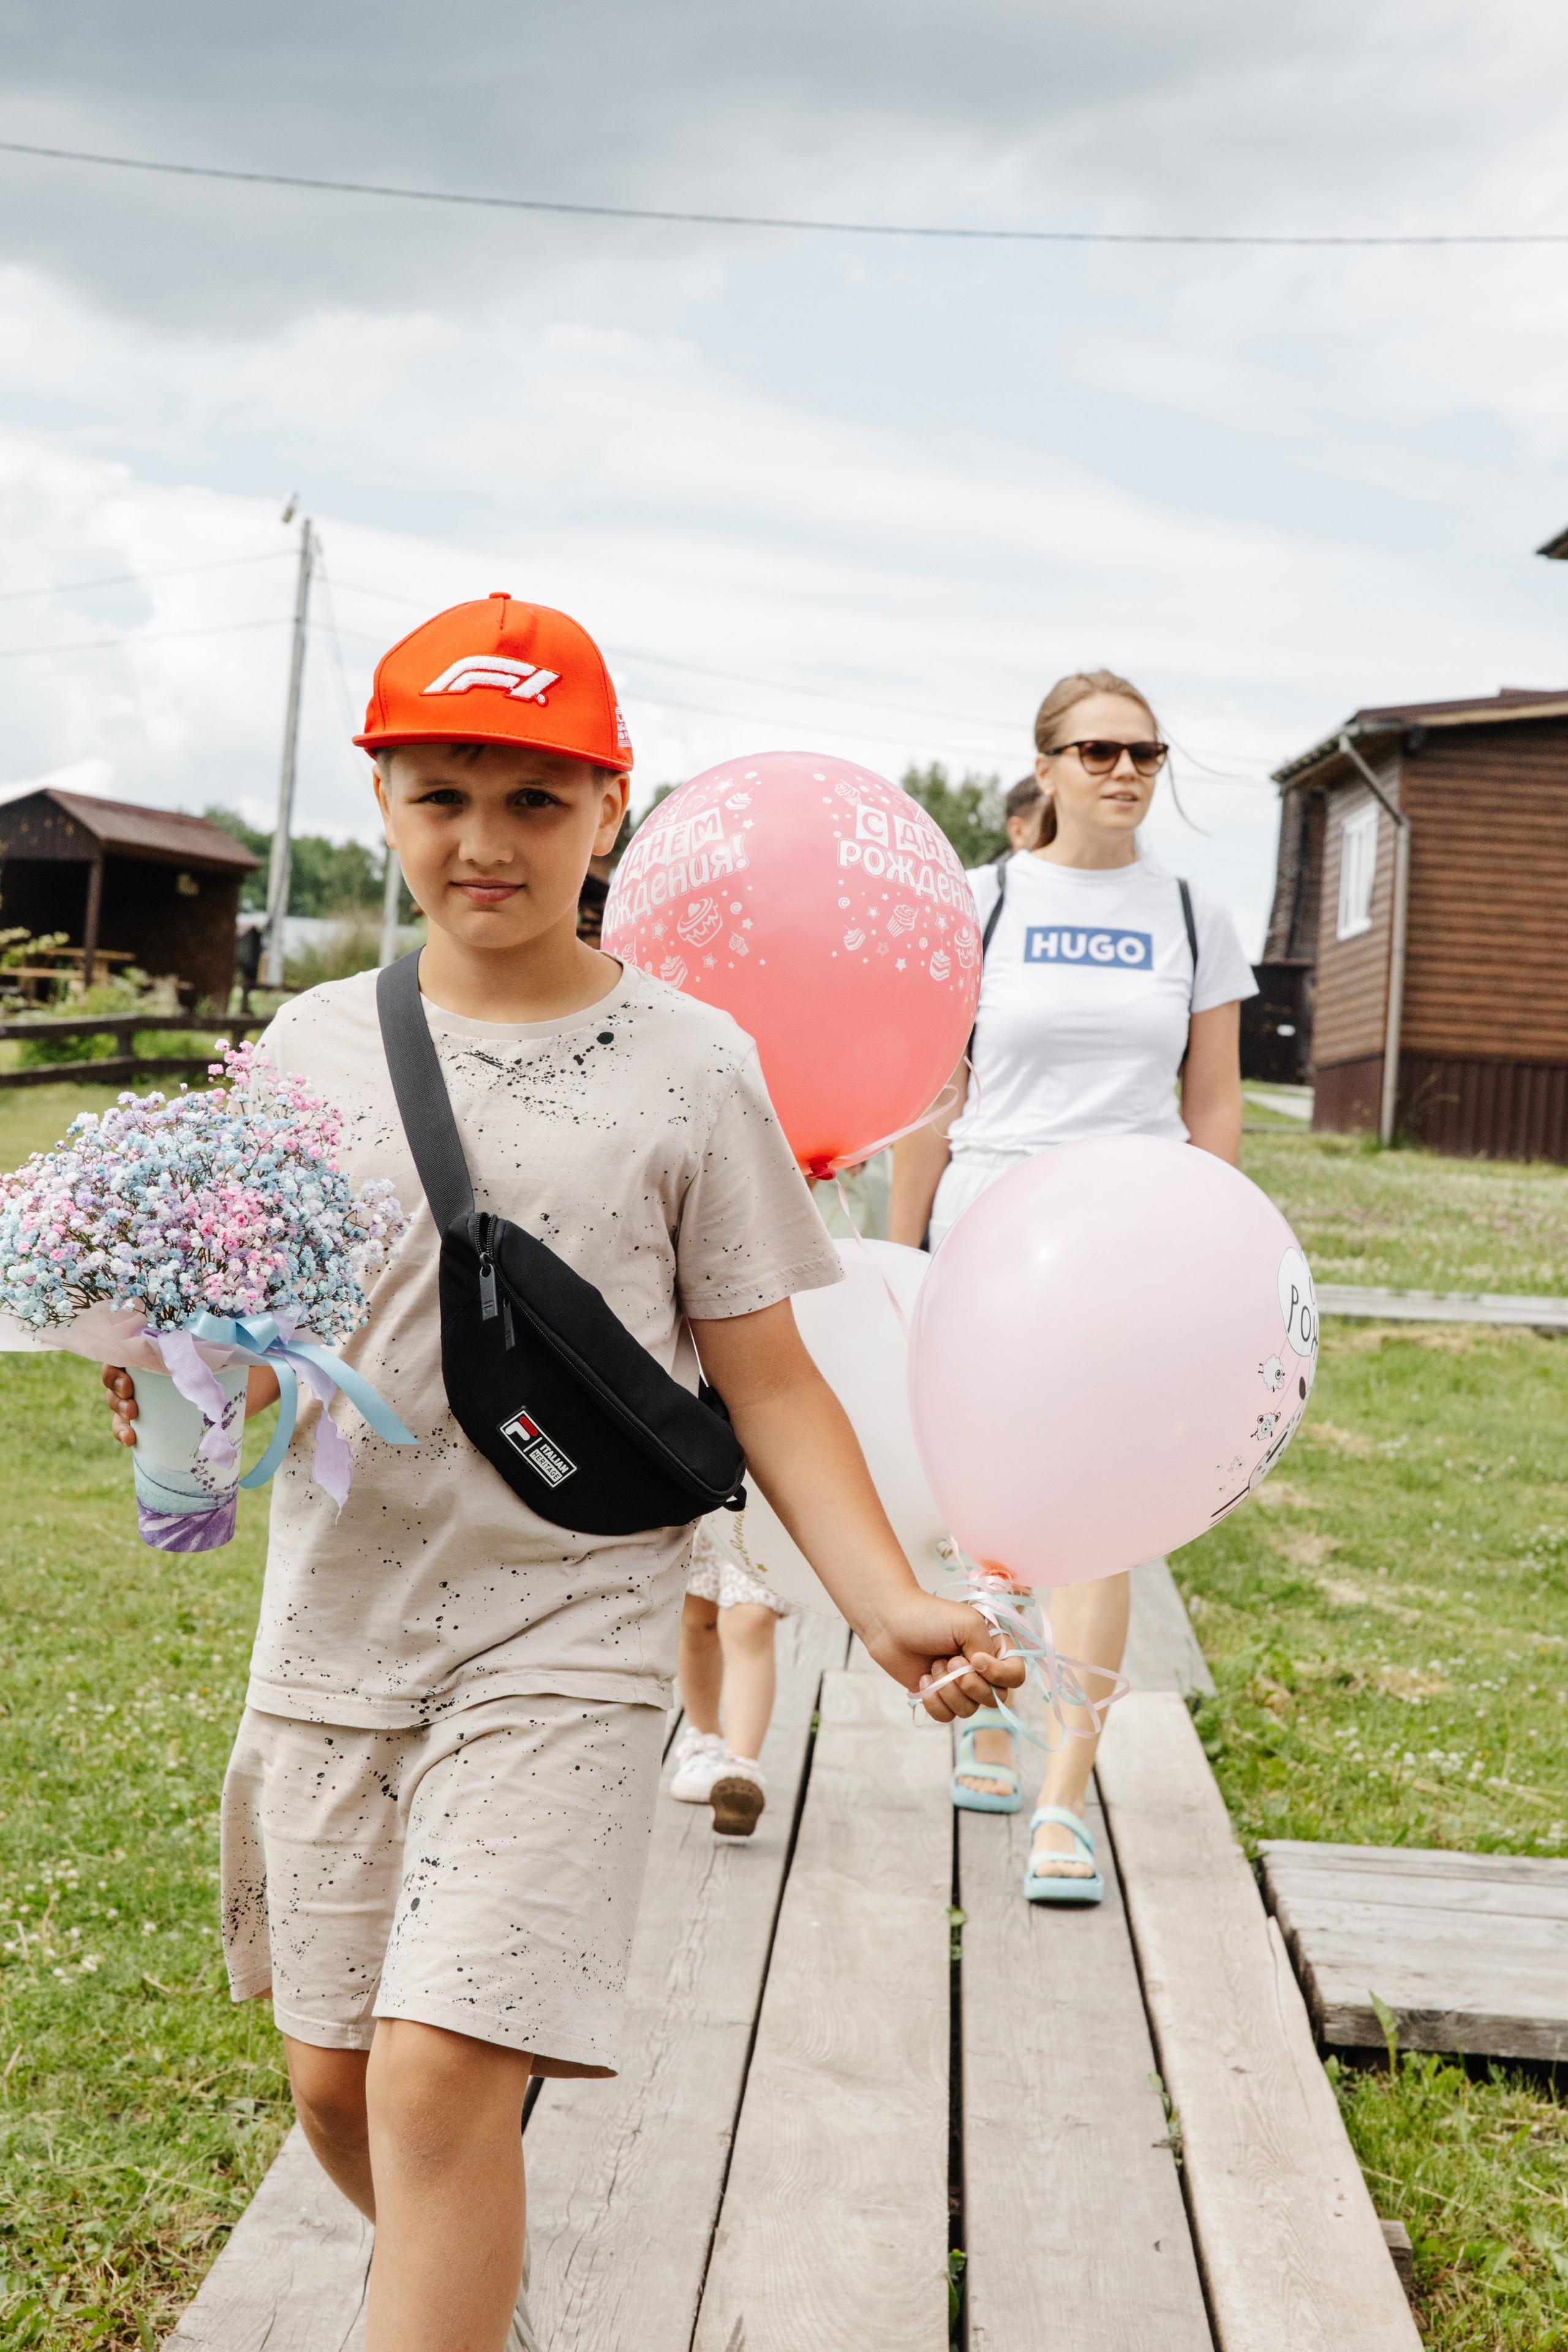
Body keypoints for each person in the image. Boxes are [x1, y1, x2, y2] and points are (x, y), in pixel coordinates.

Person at [102, 594, 1019, 2352]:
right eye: (444, 793)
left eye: (536, 800)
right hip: (337, 1632)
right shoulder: (298, 1052)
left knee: (446, 2078)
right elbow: (238, 1342)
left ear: (612, 809)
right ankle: (474, 2313)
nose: (486, 841)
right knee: (338, 2088)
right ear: (382, 798)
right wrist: (166, 1387)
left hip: (571, 1632)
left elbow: (772, 1378)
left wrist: (887, 1598)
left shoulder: (691, 1066)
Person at [889, 667, 1255, 1904]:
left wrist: (1217, 1257)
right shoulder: (978, 902)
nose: (1122, 774)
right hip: (990, 1220)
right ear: (1042, 767)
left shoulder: (1195, 916)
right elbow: (933, 1103)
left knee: (1102, 1516)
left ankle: (1064, 1795)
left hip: (1134, 1237)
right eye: (1095, 752)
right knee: (985, 1511)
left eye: (1144, 754)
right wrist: (906, 1261)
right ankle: (987, 1706)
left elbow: (1211, 1108)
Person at [668, 1517, 787, 1835]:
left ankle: (740, 1772)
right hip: (703, 1485)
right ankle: (706, 1740)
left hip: (767, 1494)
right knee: (696, 1620)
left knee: (751, 1619)